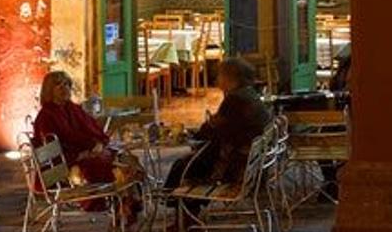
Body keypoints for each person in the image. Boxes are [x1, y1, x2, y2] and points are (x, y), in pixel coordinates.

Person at [31, 70, 141, 214]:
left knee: (130, 160)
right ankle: (125, 212)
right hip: (64, 166)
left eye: (67, 84)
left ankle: (127, 210)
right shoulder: (46, 116)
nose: (65, 88)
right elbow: (56, 146)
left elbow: (93, 129)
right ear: (49, 90)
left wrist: (99, 143)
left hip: (87, 155)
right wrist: (86, 152)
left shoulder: (74, 109)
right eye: (59, 85)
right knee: (118, 170)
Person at [164, 55, 274, 194]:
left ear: (230, 78)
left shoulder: (235, 100)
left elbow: (213, 131)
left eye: (220, 75)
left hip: (234, 166)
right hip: (253, 163)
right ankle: (177, 203)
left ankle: (172, 200)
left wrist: (196, 133)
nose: (217, 79)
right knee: (189, 162)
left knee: (183, 166)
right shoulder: (250, 95)